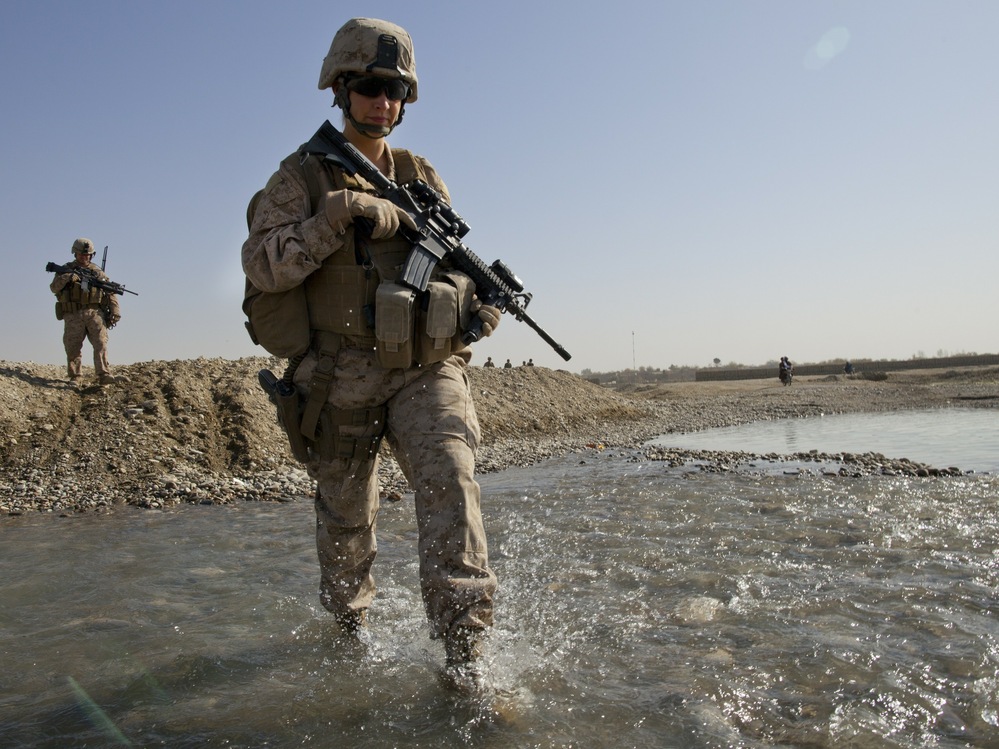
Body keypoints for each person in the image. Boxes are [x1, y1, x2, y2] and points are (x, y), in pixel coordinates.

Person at [241, 18, 501, 679]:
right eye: (369, 87)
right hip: (336, 376)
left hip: (422, 368)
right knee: (346, 525)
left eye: (396, 91)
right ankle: (349, 640)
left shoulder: (419, 175)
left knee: (451, 484)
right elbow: (264, 266)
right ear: (339, 88)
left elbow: (448, 263)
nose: (383, 103)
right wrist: (338, 216)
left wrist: (473, 307)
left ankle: (465, 654)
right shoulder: (300, 178)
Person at [49, 238, 123, 387]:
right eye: (81, 255)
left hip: (94, 312)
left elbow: (110, 292)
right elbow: (54, 288)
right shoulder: (66, 269)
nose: (85, 257)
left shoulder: (97, 272)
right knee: (73, 345)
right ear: (75, 253)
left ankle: (103, 374)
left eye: (88, 255)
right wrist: (68, 277)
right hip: (73, 313)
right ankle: (75, 376)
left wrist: (115, 309)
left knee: (101, 342)